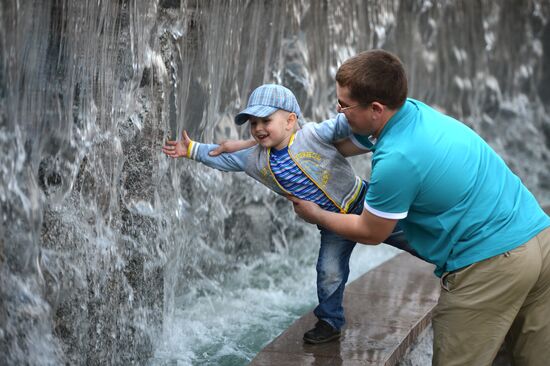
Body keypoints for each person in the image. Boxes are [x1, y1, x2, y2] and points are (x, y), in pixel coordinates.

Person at [286, 49, 550, 366]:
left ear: (376, 109)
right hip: (540, 240)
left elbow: (371, 231)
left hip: (493, 263)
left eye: (344, 105)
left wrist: (315, 214)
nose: (339, 112)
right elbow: (350, 144)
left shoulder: (398, 159)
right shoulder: (412, 112)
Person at [162, 84, 411, 344]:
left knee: (410, 235)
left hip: (361, 200)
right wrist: (191, 150)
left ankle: (447, 260)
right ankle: (329, 321)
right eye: (253, 123)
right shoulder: (254, 159)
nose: (258, 128)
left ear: (290, 120)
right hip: (331, 224)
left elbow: (342, 124)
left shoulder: (312, 135)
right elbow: (223, 158)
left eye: (266, 120)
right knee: (328, 271)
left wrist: (373, 107)